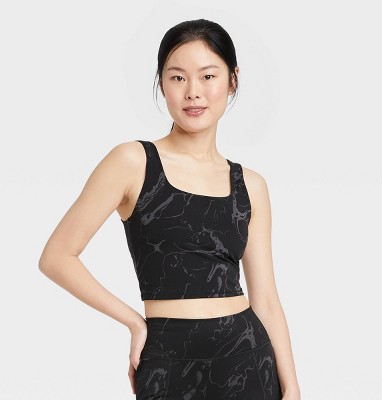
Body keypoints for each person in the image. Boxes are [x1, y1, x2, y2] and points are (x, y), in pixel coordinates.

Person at [38, 18, 300, 400]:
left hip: (247, 359)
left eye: (208, 76)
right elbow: (56, 257)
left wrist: (292, 387)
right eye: (178, 78)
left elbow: (267, 301)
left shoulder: (251, 185)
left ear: (232, 80)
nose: (193, 92)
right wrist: (134, 322)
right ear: (162, 83)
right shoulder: (133, 162)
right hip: (167, 360)